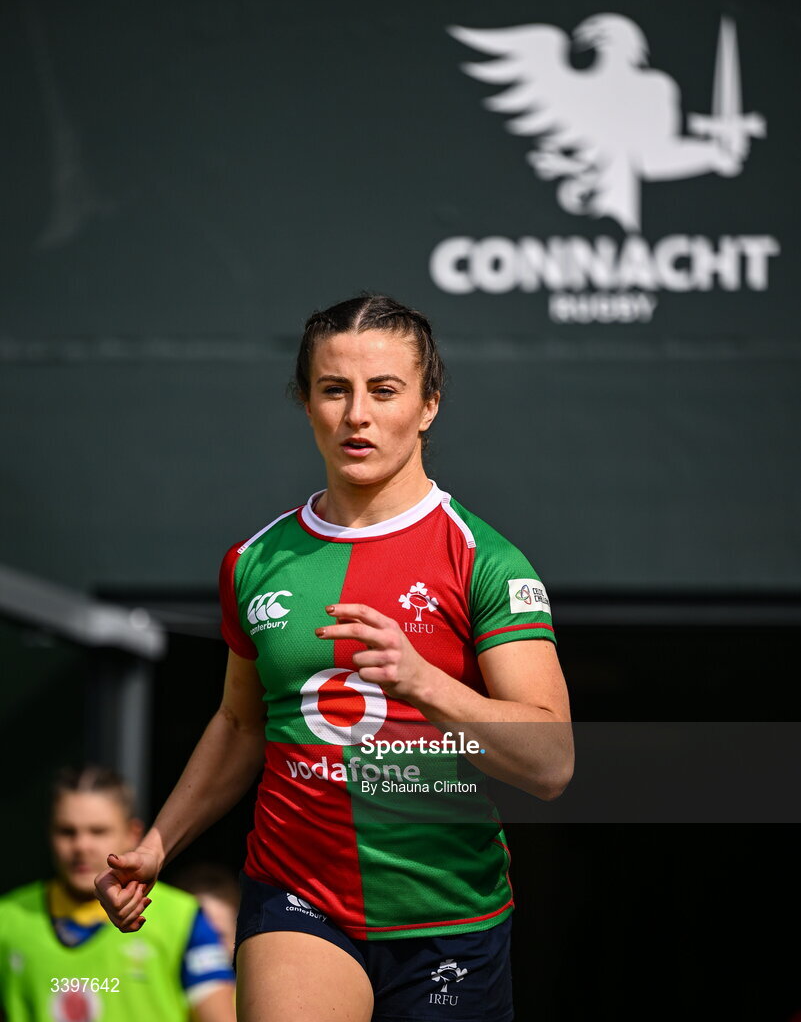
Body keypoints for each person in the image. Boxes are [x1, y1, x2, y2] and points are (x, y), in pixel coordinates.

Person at [94, 294, 574, 1022]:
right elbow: (239, 725)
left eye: (384, 390)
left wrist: (422, 682)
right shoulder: (255, 560)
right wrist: (158, 844)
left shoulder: (484, 560)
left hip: (448, 915)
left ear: (428, 405)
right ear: (306, 401)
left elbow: (550, 764)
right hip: (298, 894)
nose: (357, 414)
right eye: (333, 389)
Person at [0, 765, 236, 1022]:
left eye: (98, 831)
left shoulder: (182, 917)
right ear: (49, 834)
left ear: (132, 834)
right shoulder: (7, 919)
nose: (81, 846)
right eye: (67, 832)